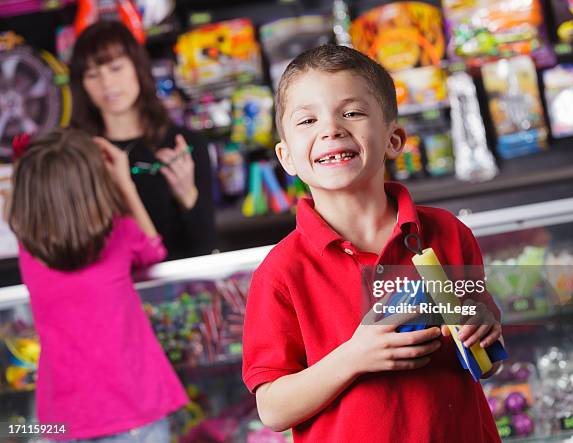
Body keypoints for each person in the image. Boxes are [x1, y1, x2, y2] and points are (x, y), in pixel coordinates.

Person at [242, 44, 504, 442]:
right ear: (287, 158)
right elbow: (273, 409)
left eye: (352, 112)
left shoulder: (448, 234)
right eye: (308, 120)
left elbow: (485, 363)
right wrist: (354, 357)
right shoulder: (281, 272)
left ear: (393, 140)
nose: (331, 129)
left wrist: (484, 331)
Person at [9, 128, 187, 441]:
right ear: (94, 187)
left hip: (59, 421)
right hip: (134, 410)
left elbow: (17, 206)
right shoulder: (120, 235)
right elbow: (155, 249)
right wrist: (125, 182)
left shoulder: (29, 249)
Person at [69, 20, 215, 260]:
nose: (107, 84)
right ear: (81, 85)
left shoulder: (185, 145)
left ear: (138, 67)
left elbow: (206, 247)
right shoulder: (79, 155)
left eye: (115, 68)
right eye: (93, 75)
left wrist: (187, 194)